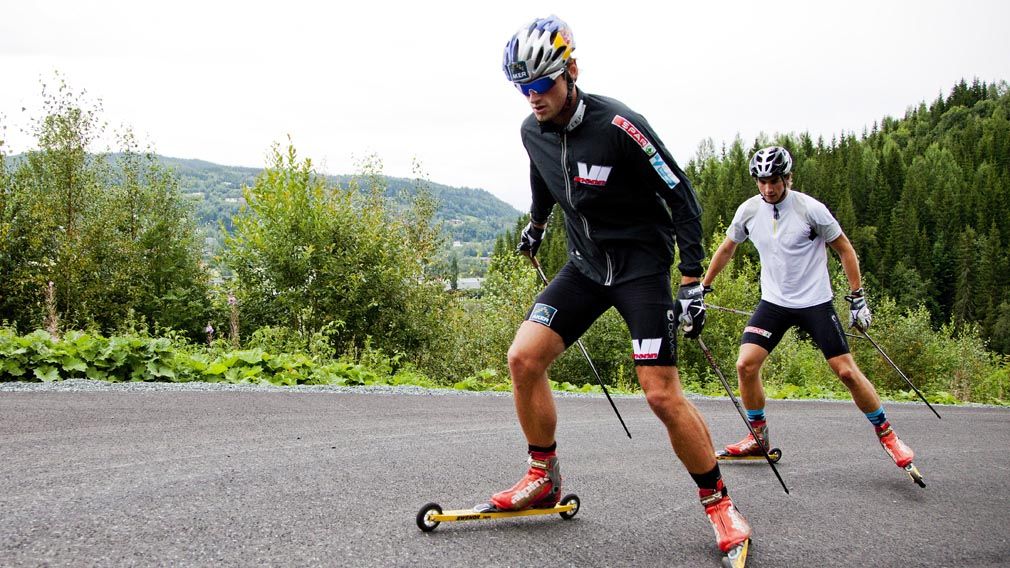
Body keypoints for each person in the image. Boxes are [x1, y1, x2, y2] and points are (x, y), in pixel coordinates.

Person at [494, 15, 751, 560]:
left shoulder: (620, 125)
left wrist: (691, 281)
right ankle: (543, 476)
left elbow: (682, 197)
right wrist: (537, 225)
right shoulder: (531, 130)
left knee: (660, 393)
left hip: (639, 269)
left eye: (542, 83)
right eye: (523, 87)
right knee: (523, 359)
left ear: (572, 71)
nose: (533, 96)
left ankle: (719, 503)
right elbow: (544, 176)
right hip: (586, 268)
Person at [701, 145, 917, 475]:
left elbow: (845, 250)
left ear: (787, 178)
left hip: (815, 302)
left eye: (774, 181)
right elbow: (727, 248)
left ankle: (888, 435)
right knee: (745, 365)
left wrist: (858, 297)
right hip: (774, 303)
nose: (768, 188)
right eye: (762, 182)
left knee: (846, 372)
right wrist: (702, 289)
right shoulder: (749, 211)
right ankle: (758, 437)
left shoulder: (810, 210)